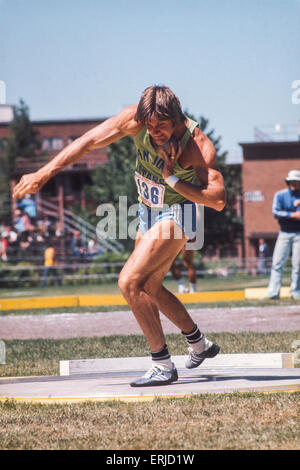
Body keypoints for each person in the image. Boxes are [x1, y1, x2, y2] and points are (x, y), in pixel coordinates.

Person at [12, 85, 226, 387]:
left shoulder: (197, 145)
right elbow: (87, 142)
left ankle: (162, 365)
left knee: (129, 281)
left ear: (177, 119)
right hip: (147, 211)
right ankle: (199, 344)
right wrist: (43, 173)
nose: (154, 133)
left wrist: (171, 177)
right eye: (150, 127)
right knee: (150, 286)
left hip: (180, 213)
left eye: (161, 127)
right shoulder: (135, 120)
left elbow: (218, 199)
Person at [267, 170, 300, 299]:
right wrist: (292, 215)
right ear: (288, 182)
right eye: (291, 182)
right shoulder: (280, 195)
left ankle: (296, 292)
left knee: (298, 265)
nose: (293, 184)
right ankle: (273, 293)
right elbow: (275, 212)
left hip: (299, 233)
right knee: (277, 263)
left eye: (296, 182)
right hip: (284, 233)